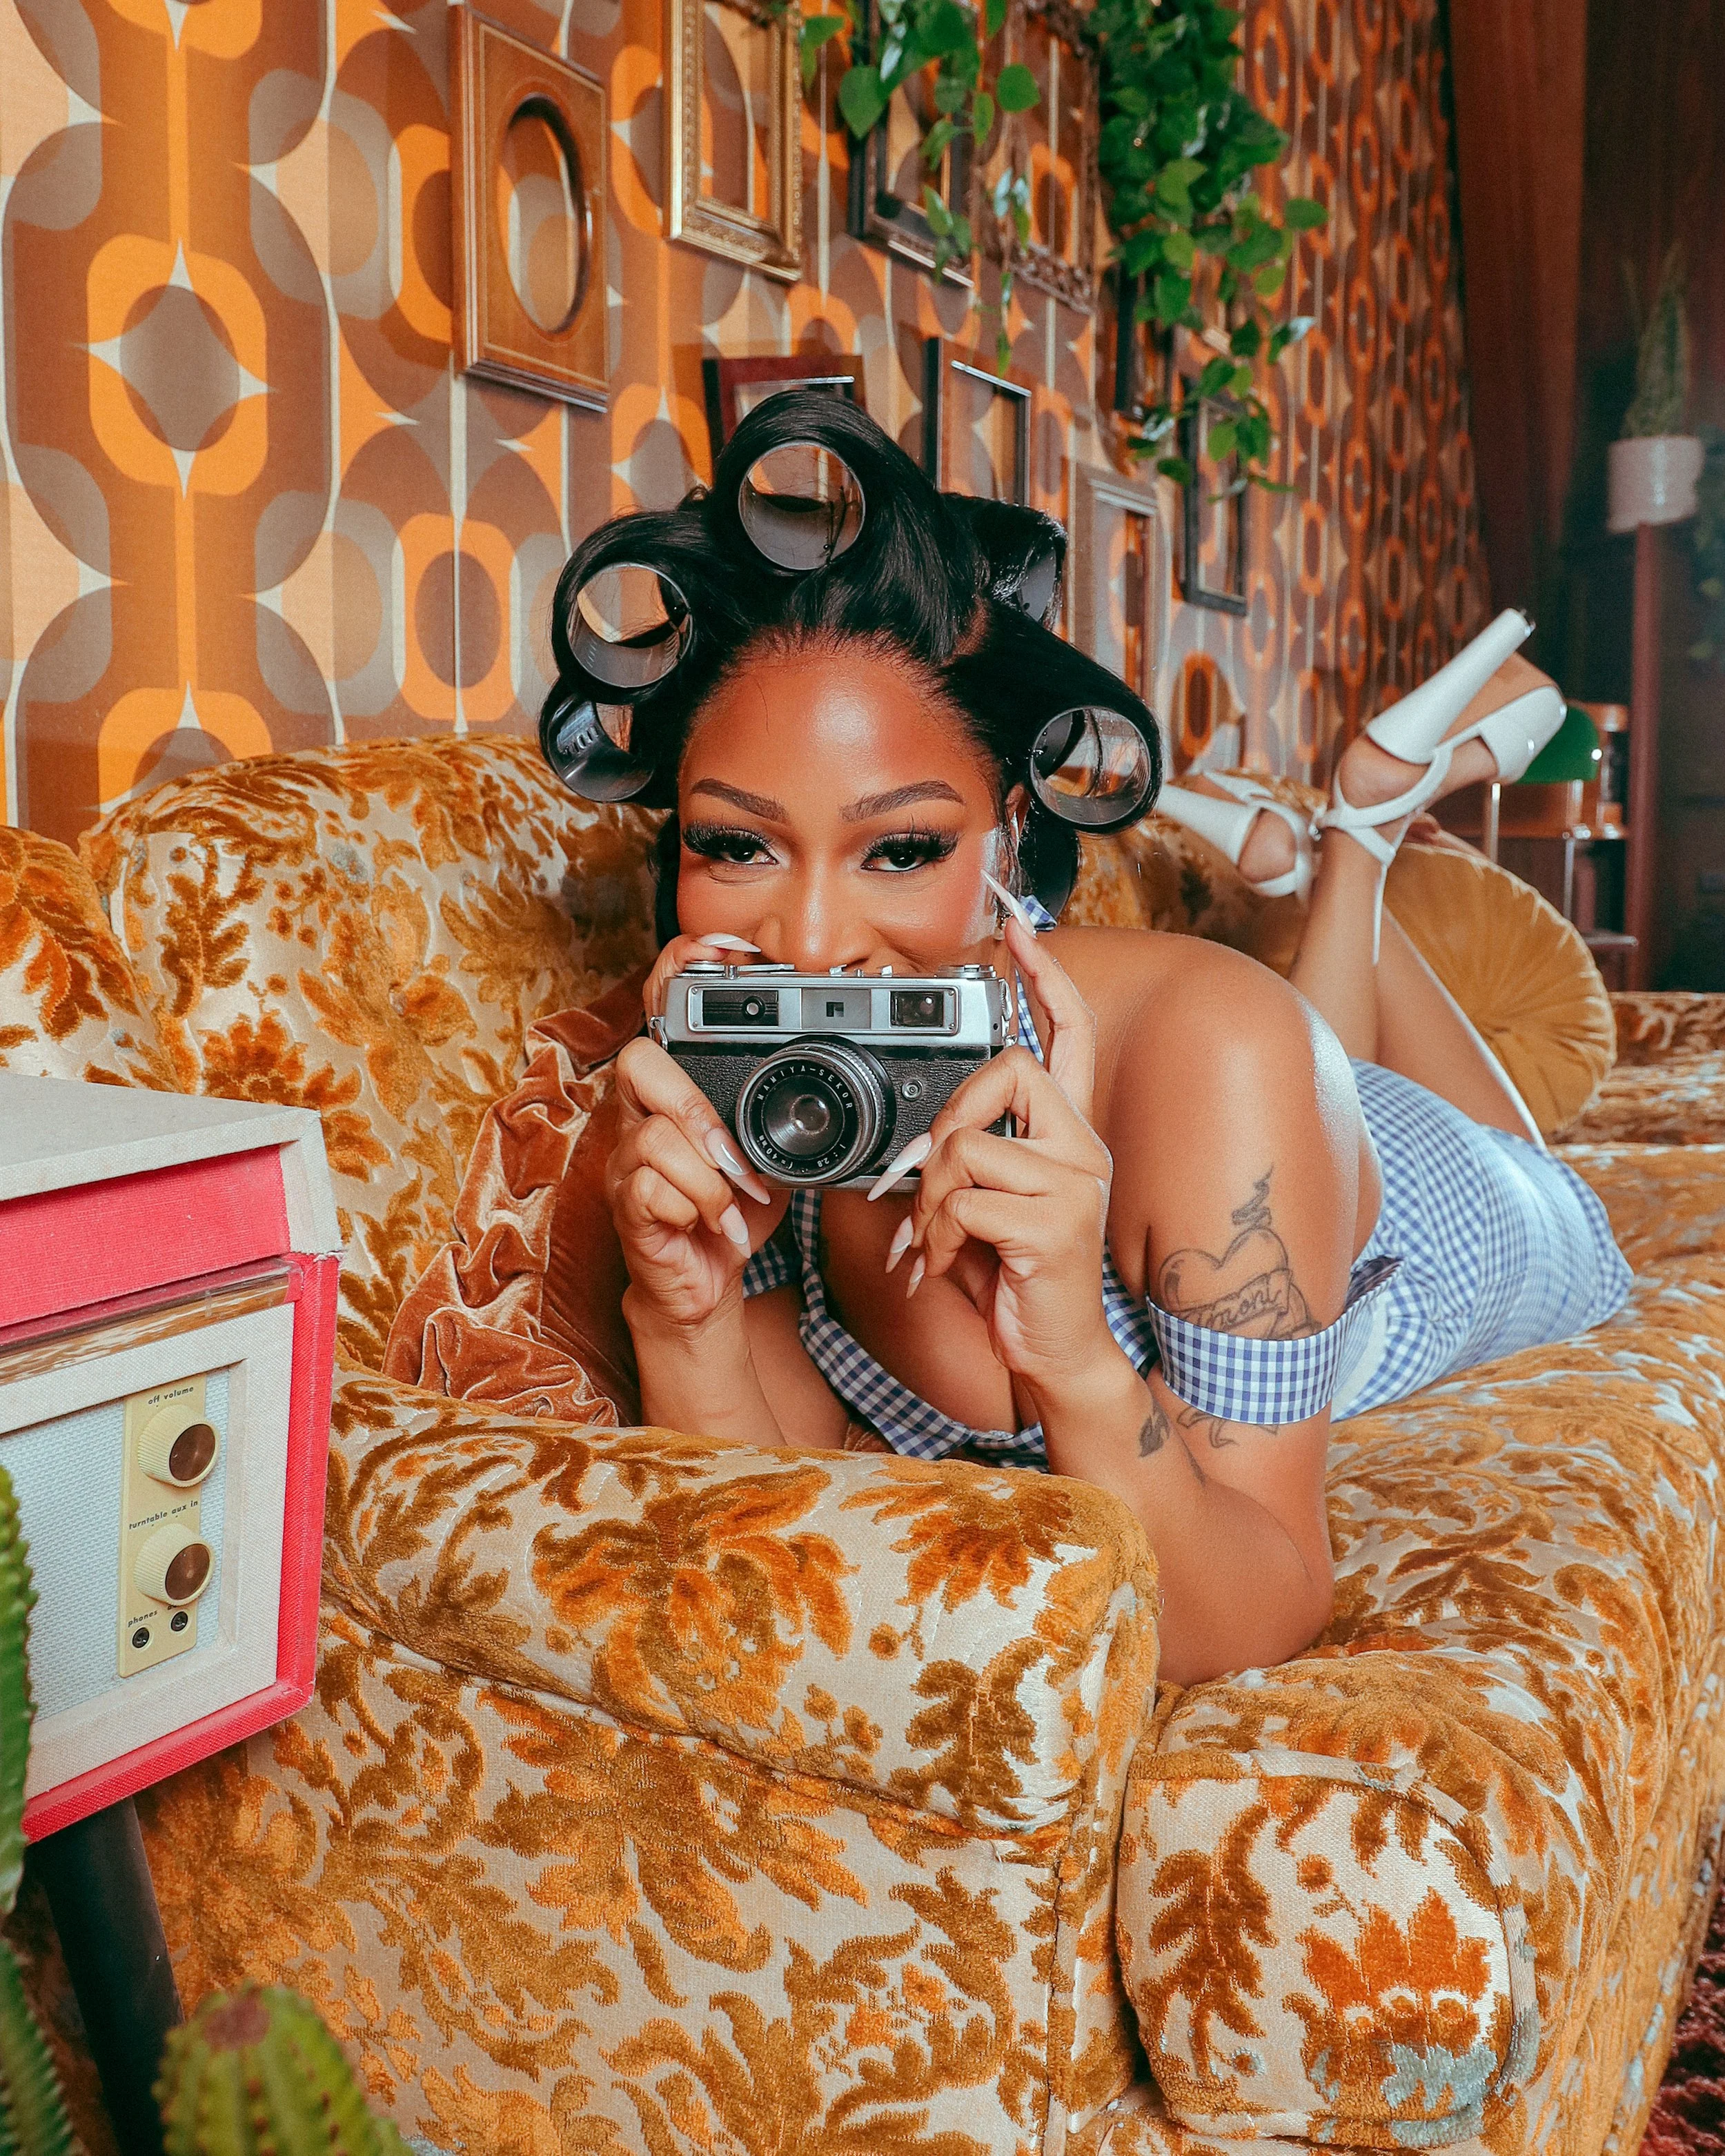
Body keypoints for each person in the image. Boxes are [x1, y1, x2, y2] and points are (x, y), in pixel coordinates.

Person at [537, 391, 1629, 1686]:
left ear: (1007, 834)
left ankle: (1355, 843)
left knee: (1494, 1141)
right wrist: (686, 1312)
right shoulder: (750, 1094)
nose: (811, 944)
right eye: (736, 844)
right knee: (1293, 1060)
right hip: (1274, 1116)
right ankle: (1345, 847)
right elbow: (767, 1541)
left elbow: (1254, 1613)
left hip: (1459, 1211)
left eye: (901, 848)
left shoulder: (1212, 1048)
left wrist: (1076, 1354)